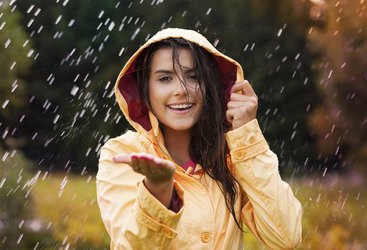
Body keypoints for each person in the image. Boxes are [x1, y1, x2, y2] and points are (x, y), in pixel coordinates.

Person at [96, 28, 302, 249]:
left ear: (210, 86)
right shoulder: (122, 154)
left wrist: (247, 136)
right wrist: (157, 191)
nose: (181, 90)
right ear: (144, 90)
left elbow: (286, 237)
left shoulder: (232, 157)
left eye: (194, 76)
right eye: (165, 78)